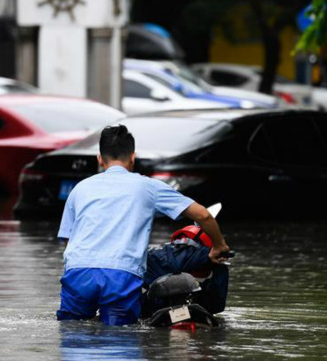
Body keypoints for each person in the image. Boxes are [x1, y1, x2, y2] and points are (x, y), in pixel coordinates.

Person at [56, 124, 230, 326]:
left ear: (99, 158)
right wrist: (219, 246)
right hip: (121, 274)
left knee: (71, 330)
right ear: (133, 157)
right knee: (118, 336)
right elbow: (203, 215)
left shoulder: (79, 189)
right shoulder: (148, 186)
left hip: (78, 271)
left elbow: (68, 240)